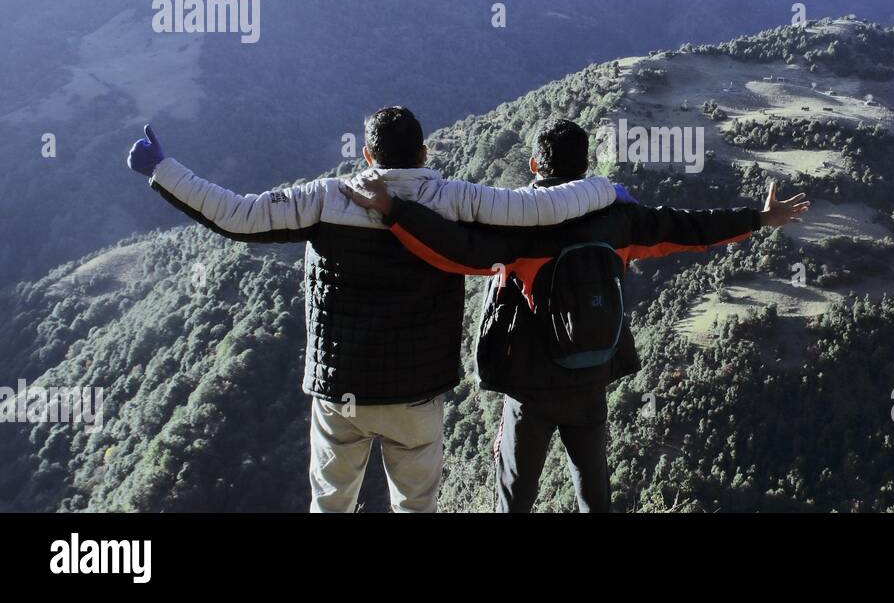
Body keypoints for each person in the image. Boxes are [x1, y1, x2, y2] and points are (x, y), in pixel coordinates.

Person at [126, 107, 624, 512]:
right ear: (424, 152)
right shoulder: (452, 199)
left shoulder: (325, 199)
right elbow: (540, 209)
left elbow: (235, 213)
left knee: (331, 503)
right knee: (414, 506)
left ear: (367, 155)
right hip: (415, 396)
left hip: (340, 393)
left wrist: (162, 170)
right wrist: (604, 189)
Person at [343, 117, 809, 512]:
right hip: (591, 376)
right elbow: (689, 227)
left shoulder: (519, 223)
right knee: (593, 491)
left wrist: (392, 211)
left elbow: (457, 252)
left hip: (530, 387)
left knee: (514, 494)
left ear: (533, 166)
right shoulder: (620, 221)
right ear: (585, 165)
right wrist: (759, 219)